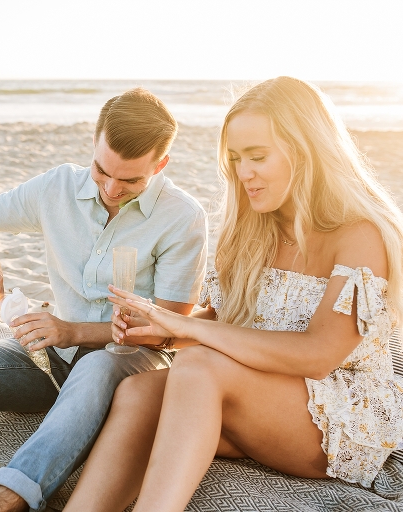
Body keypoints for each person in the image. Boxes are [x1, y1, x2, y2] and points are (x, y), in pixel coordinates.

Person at [64, 76, 403, 512]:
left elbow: (319, 355)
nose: (244, 173)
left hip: (338, 419)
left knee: (198, 366)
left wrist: (188, 330)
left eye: (258, 157)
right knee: (138, 392)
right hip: (258, 397)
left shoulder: (359, 235)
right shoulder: (252, 229)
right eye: (236, 159)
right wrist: (161, 330)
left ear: (307, 151)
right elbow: (225, 323)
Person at [0, 88, 208, 512]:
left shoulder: (182, 217)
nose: (111, 188)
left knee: (97, 365)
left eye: (131, 180)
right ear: (94, 143)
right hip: (55, 355)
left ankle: (3, 501)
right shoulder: (58, 186)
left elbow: (167, 329)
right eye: (102, 170)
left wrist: (73, 331)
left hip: (129, 362)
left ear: (161, 165)